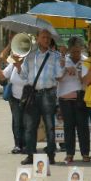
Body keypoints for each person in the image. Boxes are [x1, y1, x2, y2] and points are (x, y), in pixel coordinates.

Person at [14, 29, 63, 165]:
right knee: (30, 126)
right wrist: (18, 66)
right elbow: (24, 75)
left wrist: (63, 65)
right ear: (38, 38)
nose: (46, 40)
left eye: (48, 37)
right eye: (44, 37)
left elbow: (59, 76)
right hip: (33, 94)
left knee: (50, 126)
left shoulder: (56, 56)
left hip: (49, 93)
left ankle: (51, 155)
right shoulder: (29, 56)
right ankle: (30, 155)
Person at [57, 38, 91, 163]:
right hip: (65, 98)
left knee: (83, 127)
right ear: (69, 50)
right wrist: (65, 68)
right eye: (73, 51)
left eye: (78, 51)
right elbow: (58, 77)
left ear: (81, 49)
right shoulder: (62, 59)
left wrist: (79, 72)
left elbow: (86, 81)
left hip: (80, 97)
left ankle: (85, 153)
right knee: (68, 126)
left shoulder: (86, 60)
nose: (76, 54)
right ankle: (69, 153)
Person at [0, 42, 27, 154]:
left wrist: (19, 68)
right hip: (14, 98)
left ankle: (26, 145)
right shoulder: (12, 65)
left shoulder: (29, 64)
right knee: (17, 122)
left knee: (27, 122)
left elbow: (28, 79)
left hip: (27, 98)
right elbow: (3, 76)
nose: (17, 55)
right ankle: (18, 145)